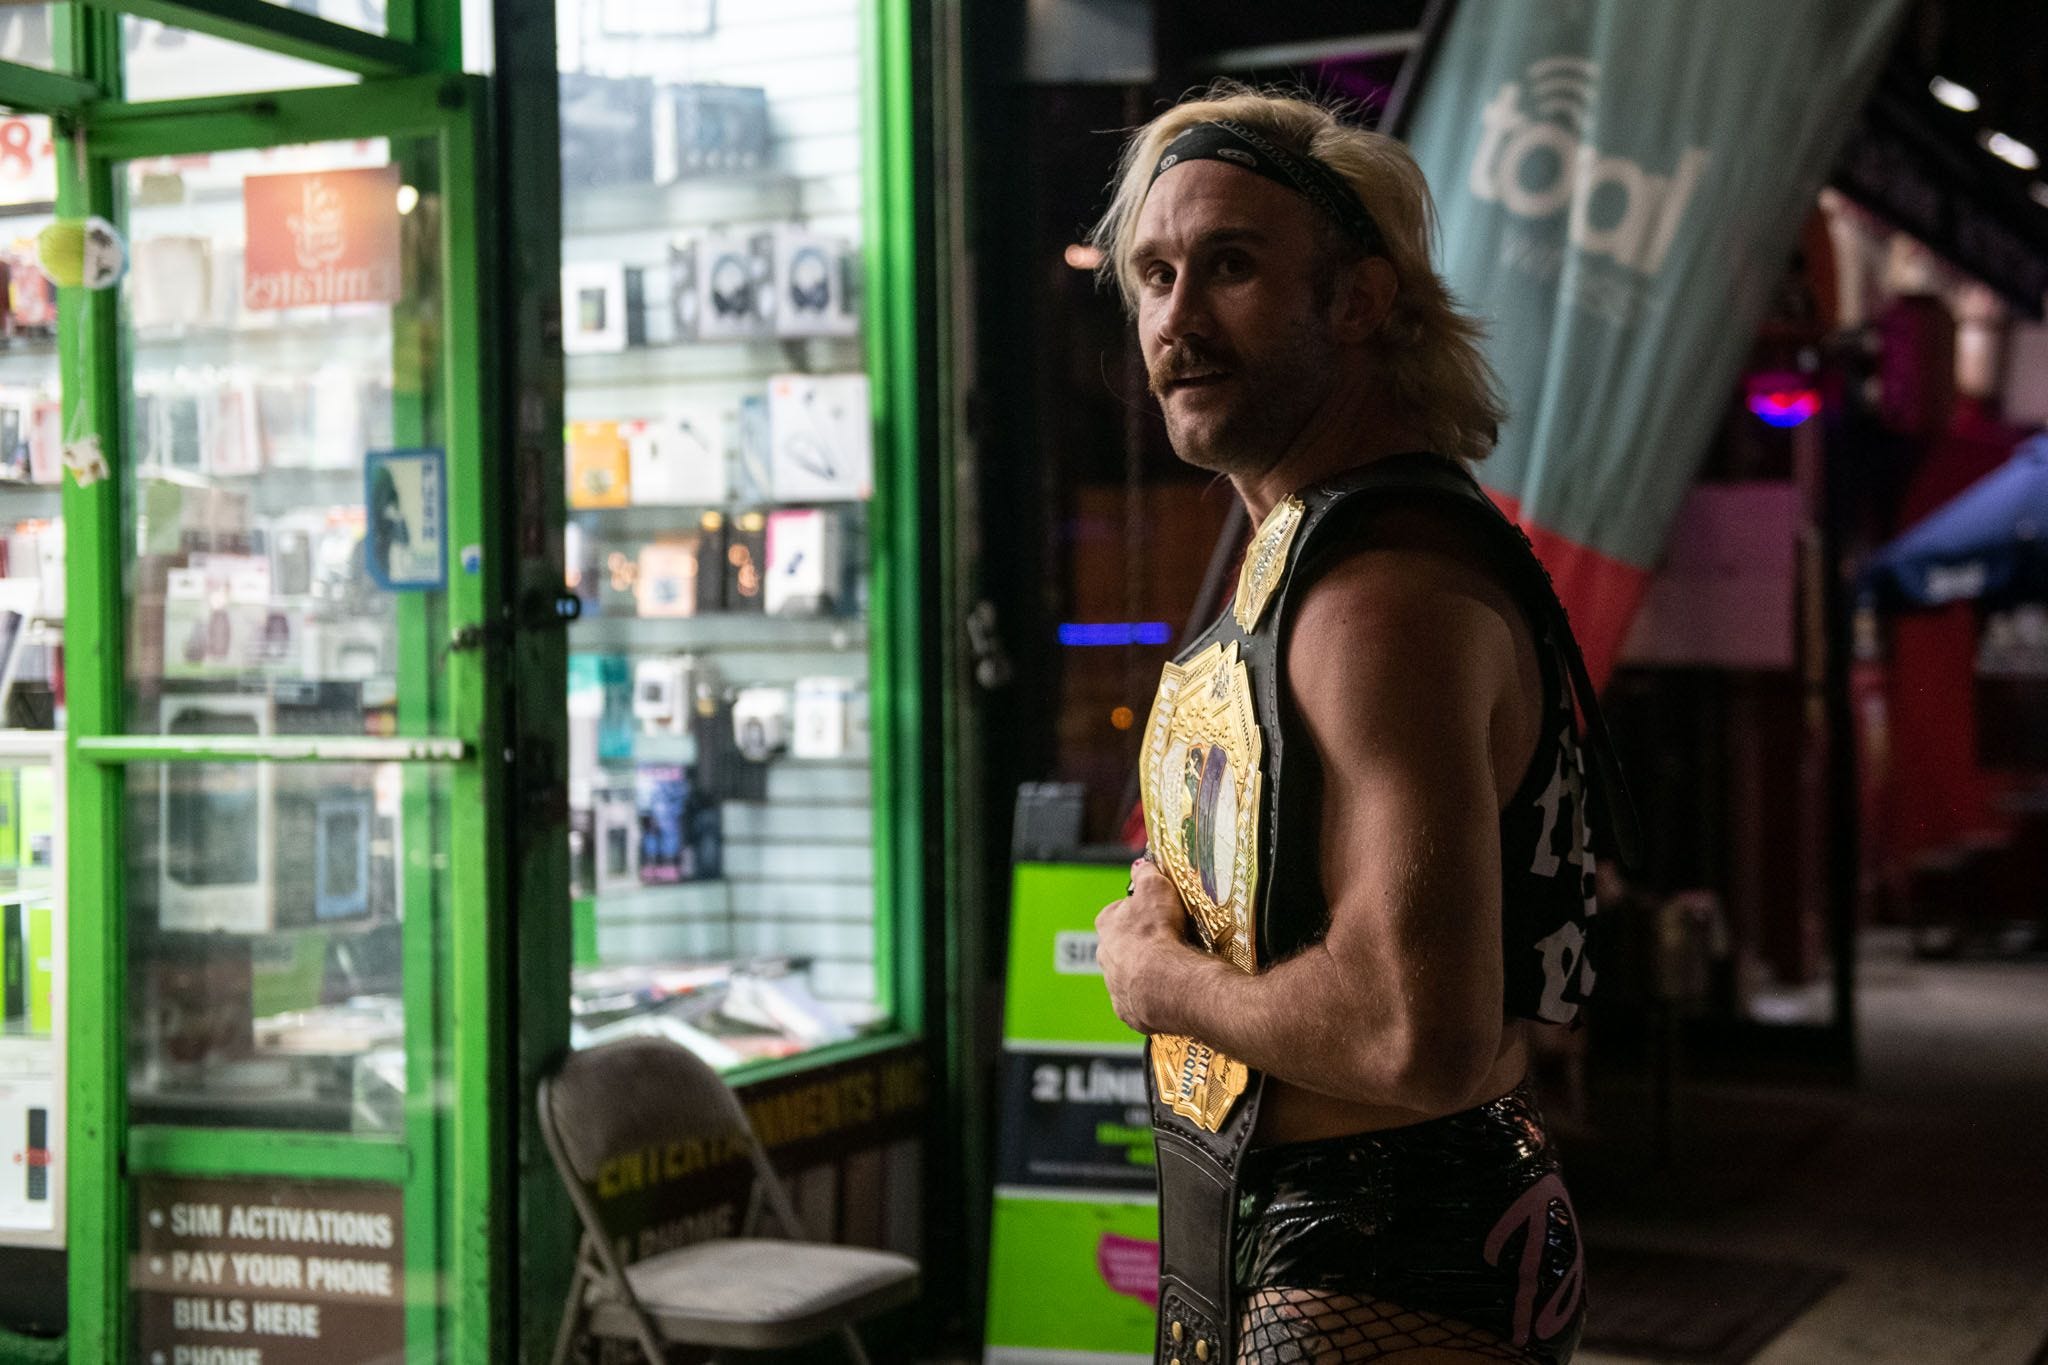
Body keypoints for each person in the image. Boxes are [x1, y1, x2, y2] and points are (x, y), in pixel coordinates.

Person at [1090, 86, 1634, 1365]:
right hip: (1336, 1242)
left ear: (1358, 300)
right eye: (1154, 276)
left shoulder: (1374, 595)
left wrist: (1154, 977)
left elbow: (1412, 1030)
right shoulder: (1319, 548)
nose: (1174, 319)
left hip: (1376, 1249)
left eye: (1229, 266)